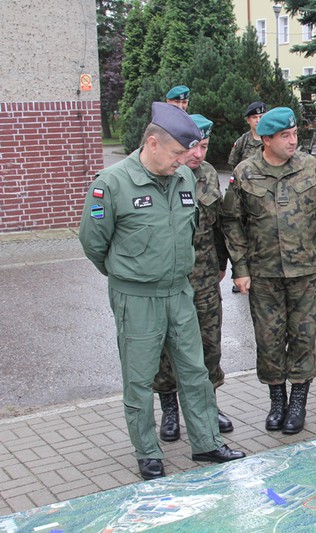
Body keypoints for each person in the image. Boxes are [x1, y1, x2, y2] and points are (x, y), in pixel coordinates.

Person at [79, 102, 245, 480]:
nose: (182, 162)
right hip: (136, 297)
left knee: (194, 371)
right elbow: (93, 243)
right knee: (139, 379)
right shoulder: (112, 184)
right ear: (152, 143)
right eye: (176, 154)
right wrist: (129, 275)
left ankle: (206, 442)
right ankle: (147, 451)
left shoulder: (185, 179)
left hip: (179, 292)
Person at [220, 107, 316, 435]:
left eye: (294, 134)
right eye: (285, 136)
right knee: (269, 338)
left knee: (303, 336)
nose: (293, 141)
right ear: (266, 140)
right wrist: (241, 267)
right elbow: (232, 221)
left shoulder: (310, 167)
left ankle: (299, 401)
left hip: (305, 272)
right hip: (264, 274)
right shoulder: (245, 173)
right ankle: (277, 400)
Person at [152, 114, 234, 442]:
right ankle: (170, 410)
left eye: (204, 146)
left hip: (204, 279)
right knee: (165, 347)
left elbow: (220, 225)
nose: (198, 154)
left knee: (209, 344)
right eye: (193, 146)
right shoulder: (163, 174)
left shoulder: (209, 174)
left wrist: (223, 263)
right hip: (168, 279)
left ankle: (209, 404)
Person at [227, 101, 267, 293]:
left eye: (261, 117)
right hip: (246, 194)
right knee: (242, 235)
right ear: (248, 120)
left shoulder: (271, 138)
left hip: (265, 195)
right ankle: (241, 274)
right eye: (255, 118)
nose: (258, 121)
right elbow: (234, 165)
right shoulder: (243, 141)